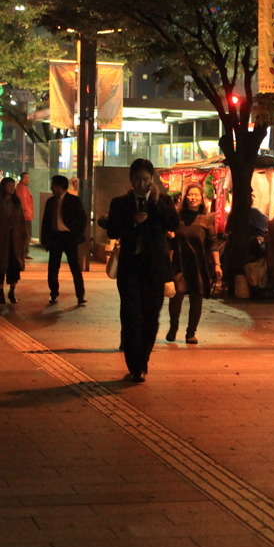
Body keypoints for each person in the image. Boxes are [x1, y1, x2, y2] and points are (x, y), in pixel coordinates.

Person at [105, 159, 179, 383]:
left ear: (152, 180)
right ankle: (135, 365)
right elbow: (111, 230)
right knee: (130, 316)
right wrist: (132, 221)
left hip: (154, 269)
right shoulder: (120, 203)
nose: (141, 183)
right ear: (131, 179)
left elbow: (173, 224)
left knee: (151, 316)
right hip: (130, 268)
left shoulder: (162, 200)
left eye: (146, 179)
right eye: (137, 179)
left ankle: (143, 359)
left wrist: (156, 203)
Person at [167, 183, 221, 345]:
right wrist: (169, 236)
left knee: (197, 298)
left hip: (198, 264)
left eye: (196, 195)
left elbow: (213, 244)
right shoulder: (177, 218)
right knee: (177, 295)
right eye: (190, 195)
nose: (193, 198)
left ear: (201, 198)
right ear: (185, 198)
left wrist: (217, 265)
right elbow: (168, 241)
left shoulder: (206, 220)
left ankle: (191, 332)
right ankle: (173, 325)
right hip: (179, 263)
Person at [40, 175, 87, 306]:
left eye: (54, 185)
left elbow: (82, 218)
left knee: (75, 267)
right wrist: (45, 239)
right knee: (53, 268)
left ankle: (80, 295)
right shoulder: (51, 202)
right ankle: (53, 293)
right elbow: (46, 222)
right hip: (55, 237)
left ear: (61, 186)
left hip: (69, 237)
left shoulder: (73, 200)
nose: (51, 188)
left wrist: (77, 234)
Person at [0, 177, 27, 303]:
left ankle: (11, 291)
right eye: (9, 185)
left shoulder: (17, 202)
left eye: (13, 185)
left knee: (14, 265)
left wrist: (24, 237)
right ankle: (0, 292)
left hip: (14, 239)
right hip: (2, 238)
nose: (12, 188)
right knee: (1, 265)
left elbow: (22, 220)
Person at [15, 172, 33, 260]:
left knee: (27, 235)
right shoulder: (21, 188)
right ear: (21, 179)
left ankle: (25, 252)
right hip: (25, 216)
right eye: (26, 178)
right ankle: (23, 252)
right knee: (26, 235)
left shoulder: (23, 188)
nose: (28, 180)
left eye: (28, 178)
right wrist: (27, 211)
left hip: (27, 215)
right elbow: (23, 202)